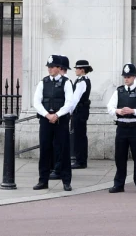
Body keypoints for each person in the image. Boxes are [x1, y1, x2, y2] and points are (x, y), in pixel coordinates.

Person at [32, 55, 77, 191]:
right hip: (46, 120)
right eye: (49, 67)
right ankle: (43, 180)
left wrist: (57, 115)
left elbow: (69, 103)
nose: (50, 69)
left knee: (63, 150)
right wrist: (47, 115)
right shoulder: (43, 82)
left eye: (52, 67)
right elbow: (36, 102)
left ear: (59, 68)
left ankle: (66, 181)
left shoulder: (66, 82)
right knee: (45, 149)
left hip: (60, 121)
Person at [107, 63, 136, 193]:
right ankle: (119, 184)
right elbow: (110, 107)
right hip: (122, 127)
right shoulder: (119, 91)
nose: (126, 79)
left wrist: (133, 111)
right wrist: (118, 111)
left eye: (129, 76)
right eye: (125, 77)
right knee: (120, 157)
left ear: (134, 77)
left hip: (135, 127)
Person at [71, 59, 93, 169]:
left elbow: (75, 99)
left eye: (77, 69)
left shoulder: (82, 82)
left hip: (79, 111)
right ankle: (80, 159)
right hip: (81, 111)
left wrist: (69, 111)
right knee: (80, 135)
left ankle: (80, 161)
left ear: (82, 70)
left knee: (79, 136)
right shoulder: (82, 80)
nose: (75, 70)